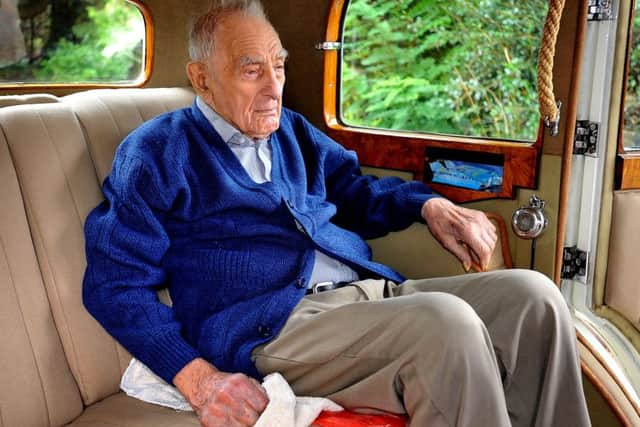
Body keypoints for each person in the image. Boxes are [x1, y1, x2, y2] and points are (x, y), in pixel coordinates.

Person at [82, 1, 591, 426]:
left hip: (368, 295)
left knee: (534, 298)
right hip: (272, 327)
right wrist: (198, 378)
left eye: (278, 65)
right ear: (202, 78)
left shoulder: (291, 132)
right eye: (251, 69)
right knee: (446, 324)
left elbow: (355, 194)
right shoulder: (156, 152)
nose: (274, 86)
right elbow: (114, 284)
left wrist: (430, 204)